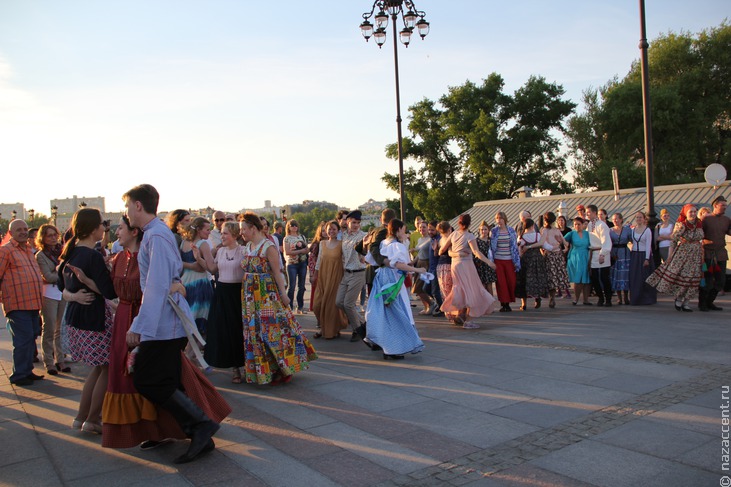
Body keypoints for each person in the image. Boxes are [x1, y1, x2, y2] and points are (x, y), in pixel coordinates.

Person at [124, 184, 229, 464]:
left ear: (137, 206)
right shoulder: (156, 234)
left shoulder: (156, 236)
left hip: (164, 323)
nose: (126, 213)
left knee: (148, 378)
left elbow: (156, 287)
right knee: (167, 380)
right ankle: (196, 429)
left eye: (127, 206)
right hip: (166, 320)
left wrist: (139, 326)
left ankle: (200, 425)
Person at [239, 212, 318, 384]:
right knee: (255, 333)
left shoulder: (268, 247)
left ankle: (284, 367)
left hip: (267, 295)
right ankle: (267, 369)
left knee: (273, 332)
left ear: (253, 228)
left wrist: (283, 295)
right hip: (250, 297)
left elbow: (277, 272)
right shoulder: (248, 247)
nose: (242, 233)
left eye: (244, 229)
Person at [58, 208, 117, 434]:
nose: (105, 229)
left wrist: (74, 294)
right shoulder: (92, 256)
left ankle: (81, 417)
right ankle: (92, 419)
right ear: (94, 229)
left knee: (97, 368)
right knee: (107, 367)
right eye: (104, 224)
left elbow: (61, 287)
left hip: (77, 317)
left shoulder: (71, 252)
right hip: (94, 318)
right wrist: (106, 272)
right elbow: (108, 290)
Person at [365, 219, 426, 359]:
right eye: (403, 230)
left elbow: (370, 259)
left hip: (381, 278)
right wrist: (418, 269)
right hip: (393, 280)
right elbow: (398, 265)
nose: (405, 233)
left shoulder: (383, 243)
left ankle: (387, 346)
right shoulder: (397, 246)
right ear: (398, 230)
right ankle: (394, 348)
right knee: (398, 312)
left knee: (386, 313)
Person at [0, 219, 45, 386]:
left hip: (33, 303)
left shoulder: (27, 250)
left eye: (25, 229)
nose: (23, 232)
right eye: (19, 229)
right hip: (18, 304)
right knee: (23, 339)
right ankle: (19, 375)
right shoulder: (6, 251)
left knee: (31, 337)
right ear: (10, 233)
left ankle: (26, 370)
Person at [202, 222, 246, 383]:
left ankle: (245, 364)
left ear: (235, 235)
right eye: (221, 233)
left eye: (225, 233)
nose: (222, 236)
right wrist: (200, 258)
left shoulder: (243, 250)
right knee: (224, 331)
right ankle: (234, 368)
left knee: (238, 330)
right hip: (222, 293)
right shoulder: (220, 252)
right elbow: (213, 269)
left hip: (237, 294)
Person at [440, 214, 497, 328]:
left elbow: (441, 250)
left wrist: (454, 252)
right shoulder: (469, 236)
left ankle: (461, 316)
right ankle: (468, 320)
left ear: (459, 223)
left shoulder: (453, 234)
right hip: (466, 265)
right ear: (470, 223)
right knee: (472, 290)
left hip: (455, 265)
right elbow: (476, 252)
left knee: (461, 290)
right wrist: (489, 262)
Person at [646, 204, 703, 312]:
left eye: (695, 212)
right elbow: (673, 240)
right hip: (684, 254)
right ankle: (679, 298)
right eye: (690, 212)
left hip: (696, 254)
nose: (693, 214)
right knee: (684, 277)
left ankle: (686, 302)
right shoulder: (681, 225)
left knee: (693, 278)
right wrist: (670, 255)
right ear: (685, 213)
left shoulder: (699, 224)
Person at [34, 224, 69, 375]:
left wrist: (60, 274)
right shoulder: (40, 255)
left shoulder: (62, 251)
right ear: (43, 238)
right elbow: (47, 276)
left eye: (55, 234)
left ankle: (60, 360)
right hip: (48, 294)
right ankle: (48, 362)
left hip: (61, 293)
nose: (53, 238)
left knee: (59, 329)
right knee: (48, 329)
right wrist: (62, 275)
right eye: (49, 235)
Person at [313, 221, 348, 339]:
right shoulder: (322, 243)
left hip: (336, 276)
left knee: (331, 306)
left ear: (338, 231)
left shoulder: (341, 244)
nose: (331, 231)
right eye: (329, 229)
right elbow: (318, 261)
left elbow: (344, 260)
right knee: (317, 304)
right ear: (325, 230)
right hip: (323, 276)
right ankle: (324, 327)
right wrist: (315, 275)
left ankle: (329, 330)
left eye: (334, 229)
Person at [336, 210, 368, 342]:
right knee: (339, 302)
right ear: (347, 222)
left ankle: (358, 330)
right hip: (346, 273)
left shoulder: (363, 236)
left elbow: (365, 251)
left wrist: (364, 254)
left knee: (348, 304)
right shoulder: (343, 236)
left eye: (358, 223)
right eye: (353, 222)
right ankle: (362, 323)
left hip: (358, 273)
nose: (356, 225)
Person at [180, 217, 215, 336]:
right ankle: (194, 351)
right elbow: (210, 267)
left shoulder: (183, 243)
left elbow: (177, 262)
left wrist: (187, 265)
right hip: (200, 284)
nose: (209, 232)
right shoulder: (203, 244)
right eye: (207, 229)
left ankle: (189, 351)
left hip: (185, 283)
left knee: (188, 318)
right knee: (202, 319)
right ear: (199, 230)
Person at [700, 196, 731, 311]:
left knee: (720, 281)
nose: (725, 207)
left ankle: (710, 302)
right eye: (723, 205)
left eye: (725, 205)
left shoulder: (726, 220)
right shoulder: (706, 220)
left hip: (721, 254)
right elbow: (698, 235)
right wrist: (703, 241)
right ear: (715, 205)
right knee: (707, 281)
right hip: (708, 254)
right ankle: (702, 303)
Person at [516, 218, 549, 310]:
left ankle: (524, 303)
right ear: (532, 226)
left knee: (524, 279)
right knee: (537, 278)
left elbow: (519, 250)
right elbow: (545, 245)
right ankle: (537, 298)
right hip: (537, 259)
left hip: (525, 260)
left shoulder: (521, 237)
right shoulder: (537, 235)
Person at [490, 212, 520, 312]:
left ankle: (509, 301)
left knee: (511, 281)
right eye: (497, 218)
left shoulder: (511, 230)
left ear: (505, 219)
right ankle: (504, 304)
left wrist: (516, 261)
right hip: (498, 259)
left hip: (509, 259)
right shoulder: (494, 231)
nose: (499, 220)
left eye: (501, 218)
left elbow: (515, 246)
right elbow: (491, 246)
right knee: (501, 283)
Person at [586, 204, 613, 306]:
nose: (587, 214)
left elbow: (606, 240)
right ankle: (600, 297)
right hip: (593, 253)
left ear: (594, 212)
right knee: (594, 278)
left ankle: (608, 298)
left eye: (588, 212)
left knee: (604, 278)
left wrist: (603, 253)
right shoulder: (589, 225)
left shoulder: (602, 225)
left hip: (602, 252)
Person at [628, 211, 657, 306]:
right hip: (635, 255)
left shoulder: (647, 230)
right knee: (635, 277)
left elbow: (649, 245)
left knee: (644, 277)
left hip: (644, 255)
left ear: (644, 219)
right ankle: (635, 298)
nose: (638, 219)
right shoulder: (633, 230)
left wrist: (647, 258)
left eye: (640, 217)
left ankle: (646, 298)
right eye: (637, 217)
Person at [541, 212, 569, 309]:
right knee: (556, 276)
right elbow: (566, 244)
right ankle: (552, 297)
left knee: (550, 277)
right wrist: (562, 247)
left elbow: (542, 243)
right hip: (557, 255)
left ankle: (551, 296)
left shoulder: (544, 230)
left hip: (549, 255)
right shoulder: (556, 230)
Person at [564, 216, 593, 305]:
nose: (577, 226)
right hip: (575, 257)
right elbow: (561, 239)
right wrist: (566, 247)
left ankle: (586, 299)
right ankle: (576, 299)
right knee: (578, 279)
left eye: (579, 224)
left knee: (586, 278)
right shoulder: (571, 234)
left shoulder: (587, 234)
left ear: (583, 225)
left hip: (585, 255)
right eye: (575, 224)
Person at [283, 219, 309, 314]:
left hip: (302, 263)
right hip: (291, 264)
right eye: (292, 225)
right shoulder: (287, 238)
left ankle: (300, 307)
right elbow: (287, 252)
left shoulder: (302, 237)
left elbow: (307, 249)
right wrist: (300, 251)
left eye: (295, 225)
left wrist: (303, 251)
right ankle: (289, 306)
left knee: (301, 286)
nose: (294, 227)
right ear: (288, 227)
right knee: (292, 286)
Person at [411, 220, 434, 315]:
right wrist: (412, 262)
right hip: (419, 263)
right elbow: (419, 254)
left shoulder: (429, 240)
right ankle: (426, 307)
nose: (422, 229)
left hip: (425, 264)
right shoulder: (420, 239)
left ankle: (431, 303)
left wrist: (413, 249)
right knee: (418, 290)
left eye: (424, 227)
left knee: (419, 288)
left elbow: (419, 248)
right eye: (420, 227)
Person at [609, 213, 632, 305]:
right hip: (614, 252)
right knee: (616, 274)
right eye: (613, 219)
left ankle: (626, 297)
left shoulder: (627, 230)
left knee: (625, 274)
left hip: (625, 253)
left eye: (617, 219)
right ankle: (619, 298)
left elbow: (632, 240)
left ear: (621, 219)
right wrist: (611, 253)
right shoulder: (610, 231)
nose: (615, 221)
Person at [474, 220, 497, 298]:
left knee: (489, 286)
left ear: (488, 230)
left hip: (488, 265)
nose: (483, 231)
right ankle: (484, 305)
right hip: (479, 265)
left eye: (485, 229)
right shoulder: (476, 241)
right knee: (482, 286)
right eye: (482, 229)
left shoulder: (491, 241)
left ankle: (491, 304)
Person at [308, 221, 327, 313]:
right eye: (323, 231)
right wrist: (312, 274)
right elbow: (311, 260)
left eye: (326, 230)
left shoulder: (334, 242)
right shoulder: (316, 244)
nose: (325, 233)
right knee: (318, 298)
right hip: (318, 274)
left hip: (329, 273)